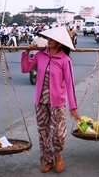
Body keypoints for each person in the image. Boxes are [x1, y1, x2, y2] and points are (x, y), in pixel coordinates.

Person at [21, 26, 81, 173]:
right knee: (44, 132)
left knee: (59, 134)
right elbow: (26, 68)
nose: (48, 40)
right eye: (48, 38)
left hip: (57, 102)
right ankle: (48, 160)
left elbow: (69, 84)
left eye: (52, 39)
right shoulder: (40, 55)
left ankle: (58, 154)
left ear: (59, 43)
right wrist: (27, 52)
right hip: (41, 101)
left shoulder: (65, 60)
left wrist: (73, 108)